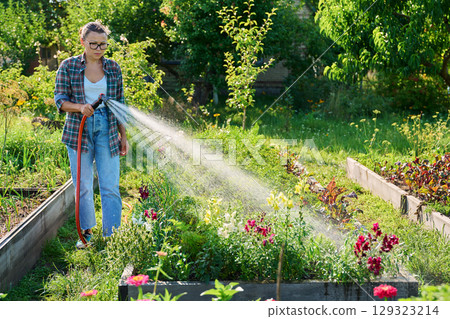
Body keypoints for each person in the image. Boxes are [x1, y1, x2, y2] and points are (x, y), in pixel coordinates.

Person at [54, 21, 129, 248]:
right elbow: (60, 100)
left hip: (107, 126)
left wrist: (123, 135)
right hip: (78, 127)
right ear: (83, 42)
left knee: (110, 184)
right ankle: (85, 233)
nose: (98, 49)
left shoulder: (113, 68)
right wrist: (80, 107)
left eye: (103, 45)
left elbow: (119, 104)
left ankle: (111, 236)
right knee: (83, 184)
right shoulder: (67, 67)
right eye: (93, 44)